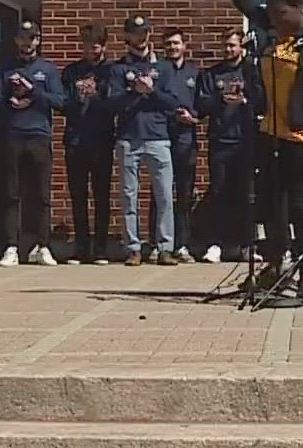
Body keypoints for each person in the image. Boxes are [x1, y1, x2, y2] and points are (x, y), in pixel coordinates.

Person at [228, 0, 303, 296]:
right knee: (271, 203)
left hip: (301, 139)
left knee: (301, 206)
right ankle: (275, 266)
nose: (272, 17)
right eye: (271, 12)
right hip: (269, 132)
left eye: (280, 11)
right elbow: (243, 1)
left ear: (300, 7)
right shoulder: (275, 33)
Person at [107, 15, 178, 267]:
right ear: (127, 37)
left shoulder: (165, 68)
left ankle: (165, 247)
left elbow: (172, 104)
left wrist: (151, 91)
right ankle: (133, 248)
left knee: (165, 195)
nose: (142, 37)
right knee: (129, 195)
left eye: (145, 32)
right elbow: (111, 104)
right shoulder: (117, 69)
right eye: (136, 33)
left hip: (159, 137)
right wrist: (133, 92)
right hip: (128, 137)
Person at [0, 22, 65, 267]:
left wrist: (33, 91)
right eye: (24, 38)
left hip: (39, 135)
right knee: (11, 194)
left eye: (33, 38)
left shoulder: (47, 69)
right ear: (17, 40)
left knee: (41, 195)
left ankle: (42, 245)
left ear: (38, 41)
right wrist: (11, 101)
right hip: (13, 136)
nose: (28, 43)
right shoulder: (5, 68)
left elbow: (60, 102)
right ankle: (11, 247)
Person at [197, 28, 255, 263]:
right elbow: (201, 106)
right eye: (226, 45)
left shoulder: (251, 72)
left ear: (241, 46)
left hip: (245, 142)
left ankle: (247, 245)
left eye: (232, 45)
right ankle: (216, 244)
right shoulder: (212, 74)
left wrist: (245, 100)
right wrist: (219, 100)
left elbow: (262, 102)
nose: (228, 49)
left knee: (246, 194)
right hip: (220, 141)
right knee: (219, 193)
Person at [62, 23, 115, 265]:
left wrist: (97, 94)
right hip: (75, 138)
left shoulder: (111, 70)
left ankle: (101, 248)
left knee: (101, 193)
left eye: (95, 45)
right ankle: (81, 247)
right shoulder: (72, 71)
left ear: (103, 45)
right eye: (86, 45)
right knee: (78, 194)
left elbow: (116, 102)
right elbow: (62, 104)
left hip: (101, 138)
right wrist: (77, 96)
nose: (90, 49)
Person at [161, 27, 202, 262]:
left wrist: (193, 116)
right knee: (161, 194)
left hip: (186, 139)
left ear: (184, 46)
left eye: (176, 43)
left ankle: (182, 244)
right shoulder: (158, 71)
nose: (173, 48)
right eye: (168, 44)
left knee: (184, 193)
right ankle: (160, 243)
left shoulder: (194, 74)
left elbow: (202, 104)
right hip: (163, 137)